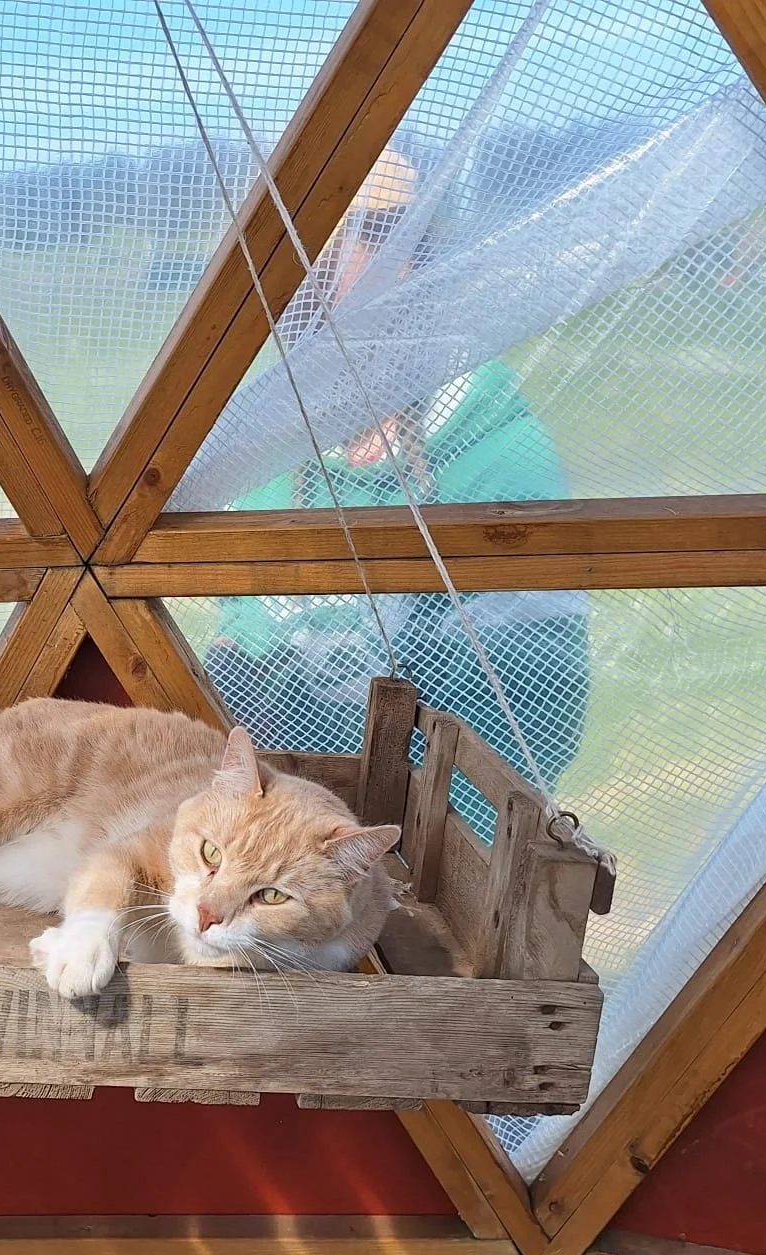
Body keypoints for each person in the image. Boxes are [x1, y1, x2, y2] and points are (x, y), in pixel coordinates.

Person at [202, 147, 590, 807]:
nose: (299, 292)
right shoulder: (273, 445)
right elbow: (244, 634)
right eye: (277, 269)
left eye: (331, 255)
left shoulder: (494, 457)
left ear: (410, 260)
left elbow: (529, 709)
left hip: (413, 838)